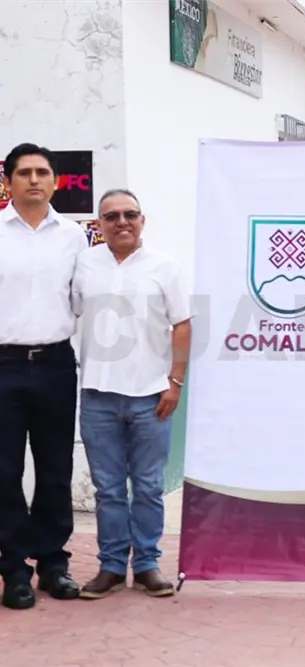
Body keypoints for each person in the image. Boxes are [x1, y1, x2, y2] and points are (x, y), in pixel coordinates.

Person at [70, 189, 192, 599]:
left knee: (147, 486)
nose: (121, 222)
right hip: (98, 395)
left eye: (130, 214)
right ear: (99, 224)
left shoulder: (165, 266)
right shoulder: (85, 264)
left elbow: (182, 324)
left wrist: (175, 382)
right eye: (111, 216)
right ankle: (109, 566)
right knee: (107, 489)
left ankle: (146, 565)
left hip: (151, 396)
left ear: (143, 220)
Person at [0, 143, 89, 610]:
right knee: (4, 472)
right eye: (24, 172)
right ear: (8, 181)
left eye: (42, 172)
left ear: (56, 181)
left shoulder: (73, 236)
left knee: (55, 469)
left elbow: (80, 298)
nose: (34, 179)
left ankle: (54, 562)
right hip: (3, 367)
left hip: (55, 364)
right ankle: (14, 569)